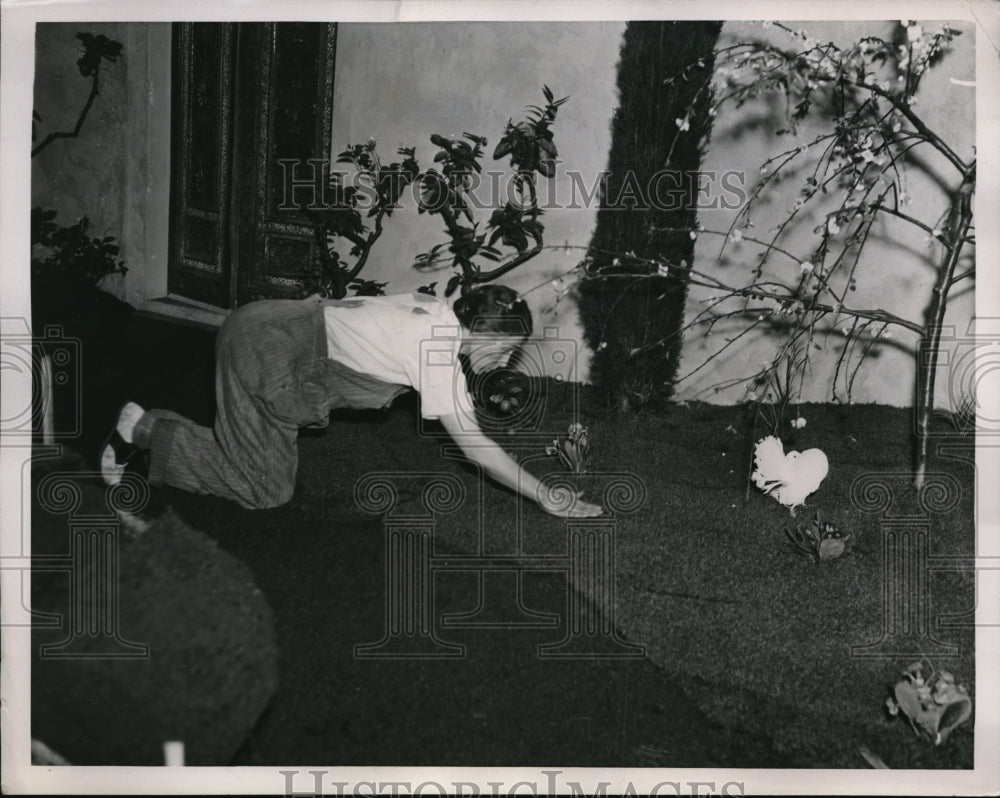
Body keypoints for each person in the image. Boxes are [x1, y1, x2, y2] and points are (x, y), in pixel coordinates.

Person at [100, 284, 602, 518]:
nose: (505, 363)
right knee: (265, 489)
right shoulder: (435, 352)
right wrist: (545, 495)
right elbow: (474, 448)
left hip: (263, 324)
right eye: (507, 352)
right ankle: (145, 431)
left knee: (252, 453)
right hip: (271, 354)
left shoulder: (433, 308)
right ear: (490, 340)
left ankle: (145, 427)